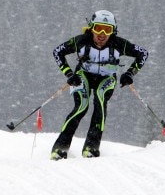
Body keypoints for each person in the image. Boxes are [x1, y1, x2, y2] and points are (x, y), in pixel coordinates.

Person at [50, 10, 148, 160]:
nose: (102, 34)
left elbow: (143, 53)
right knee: (81, 107)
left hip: (106, 78)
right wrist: (69, 74)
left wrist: (130, 73)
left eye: (107, 29)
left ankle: (91, 147)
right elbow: (58, 52)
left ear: (113, 31)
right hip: (83, 76)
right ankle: (60, 149)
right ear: (91, 28)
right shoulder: (82, 40)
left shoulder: (118, 44)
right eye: (98, 28)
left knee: (100, 102)